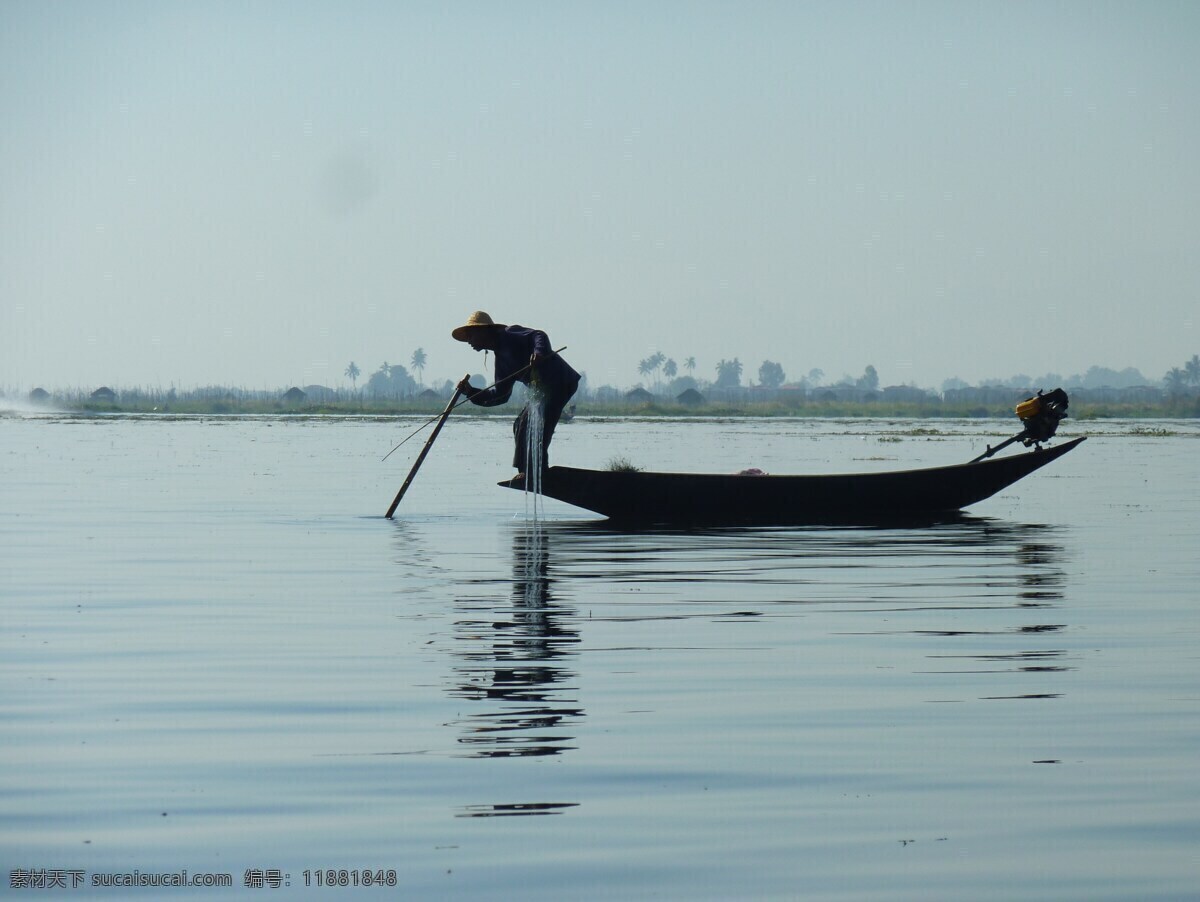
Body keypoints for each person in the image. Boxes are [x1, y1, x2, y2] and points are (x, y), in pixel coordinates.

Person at [451, 311, 580, 478]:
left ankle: (538, 472)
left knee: (538, 425)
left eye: (471, 335)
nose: (469, 341)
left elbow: (539, 335)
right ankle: (525, 471)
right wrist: (470, 392)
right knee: (520, 424)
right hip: (542, 391)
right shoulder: (501, 362)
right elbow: (500, 395)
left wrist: (539, 353)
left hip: (562, 382)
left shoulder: (509, 334)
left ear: (484, 331)